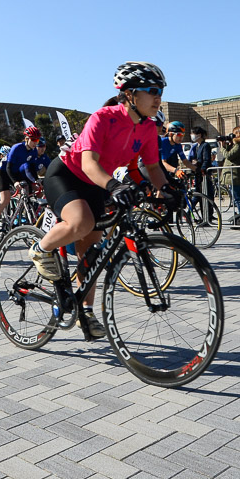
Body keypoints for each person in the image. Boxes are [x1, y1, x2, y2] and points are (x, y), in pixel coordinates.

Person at [28, 61, 178, 339]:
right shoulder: (102, 118)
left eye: (161, 90)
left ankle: (86, 311)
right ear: (130, 94)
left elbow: (154, 168)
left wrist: (167, 191)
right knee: (81, 222)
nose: (159, 97)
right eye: (152, 90)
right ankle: (41, 247)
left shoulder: (147, 128)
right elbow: (88, 164)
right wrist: (114, 185)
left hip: (97, 183)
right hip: (68, 175)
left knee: (91, 250)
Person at [0, 127, 43, 234]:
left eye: (37, 140)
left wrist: (36, 180)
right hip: (3, 172)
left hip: (16, 172)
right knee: (6, 198)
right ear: (26, 138)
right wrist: (15, 182)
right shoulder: (16, 148)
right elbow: (8, 168)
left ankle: (19, 214)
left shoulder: (33, 151)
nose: (35, 143)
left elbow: (32, 168)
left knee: (26, 191)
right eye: (33, 140)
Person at [186, 126, 215, 208]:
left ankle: (207, 215)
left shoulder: (205, 145)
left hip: (203, 173)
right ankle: (193, 212)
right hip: (198, 173)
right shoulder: (197, 146)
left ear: (199, 134)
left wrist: (203, 169)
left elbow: (206, 159)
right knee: (198, 194)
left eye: (193, 133)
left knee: (205, 194)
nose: (191, 135)